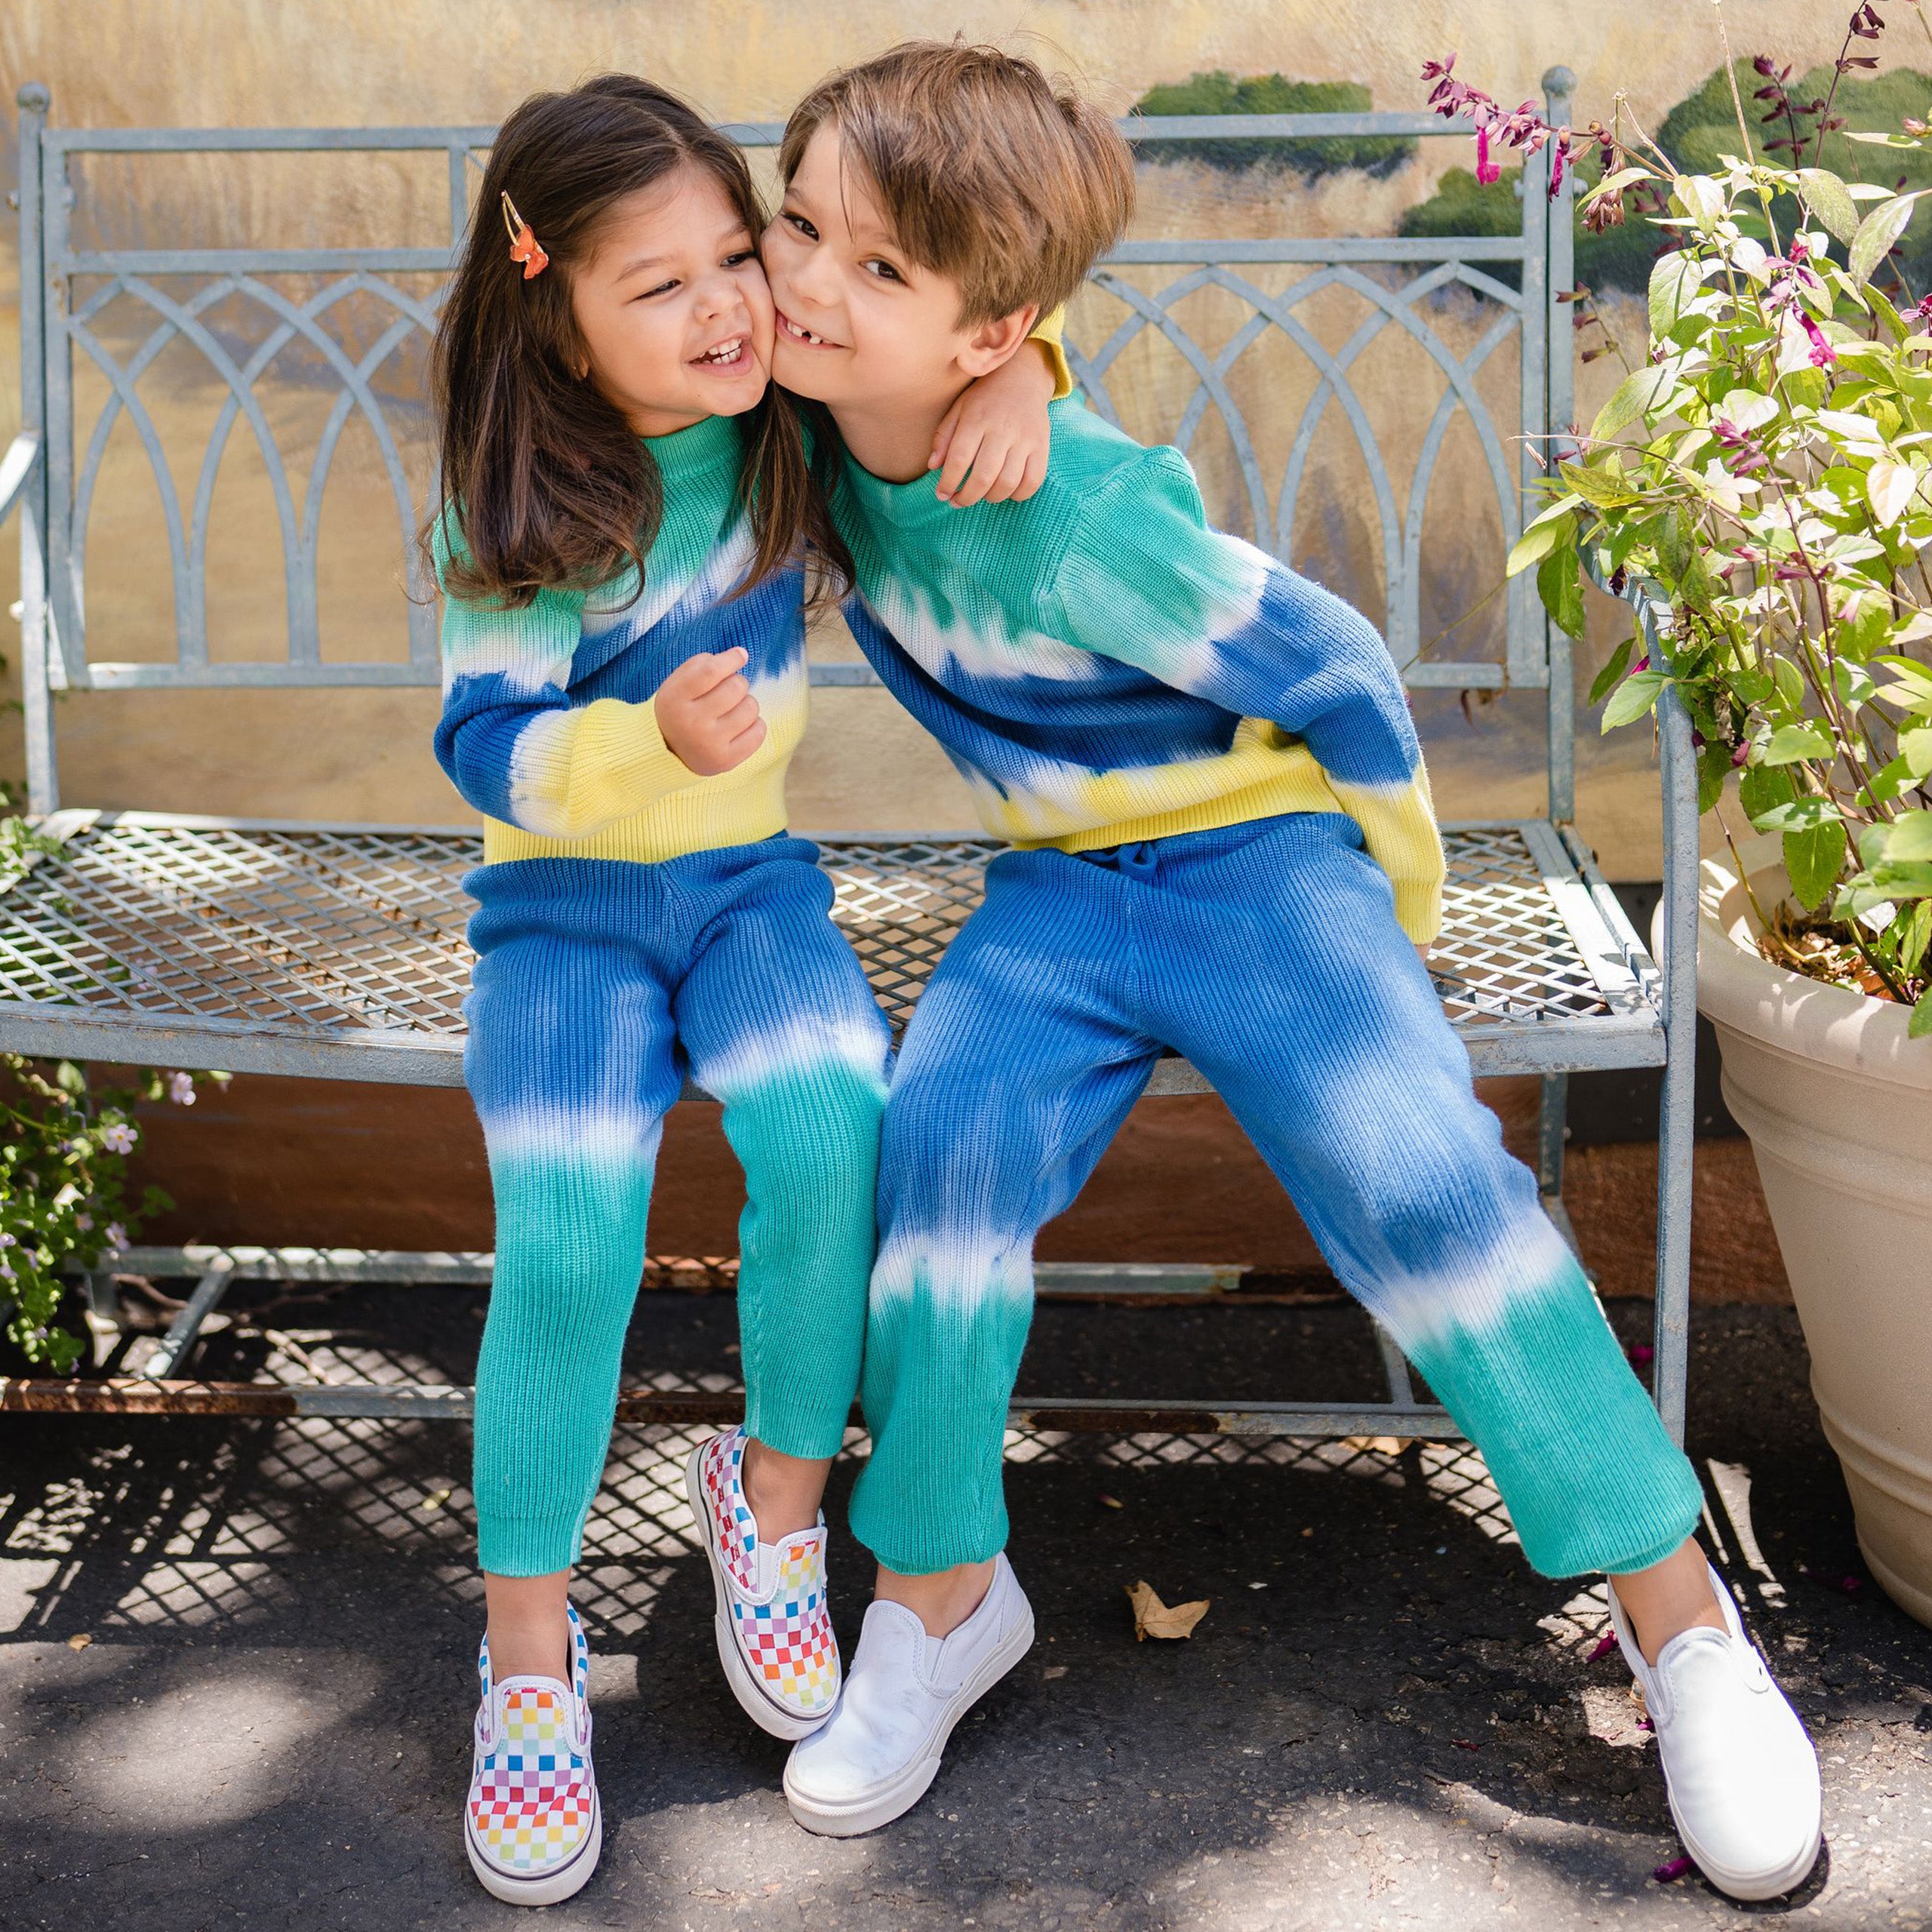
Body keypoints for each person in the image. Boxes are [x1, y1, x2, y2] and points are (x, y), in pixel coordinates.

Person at [760, 41, 1823, 1903]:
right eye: (796, 229)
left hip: (1263, 868)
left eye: (871, 269)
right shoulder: (809, 431)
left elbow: (1329, 662)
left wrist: (1386, 906)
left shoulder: (1081, 512)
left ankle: (1677, 1614)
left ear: (991, 323)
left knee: (1418, 1180)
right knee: (936, 1159)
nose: (801, 285)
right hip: (1060, 894)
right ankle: (936, 1593)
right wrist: (1009, 366)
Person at [425, 73, 1057, 1905]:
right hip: (559, 911)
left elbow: (972, 317)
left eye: (732, 254)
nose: (725, 306)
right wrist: (635, 738)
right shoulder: (525, 490)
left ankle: (770, 1500)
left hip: (749, 894)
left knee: (832, 1115)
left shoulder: (783, 423)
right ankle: (527, 1651)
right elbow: (479, 739)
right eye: (660, 284)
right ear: (551, 306)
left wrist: (1030, 376)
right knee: (569, 1228)